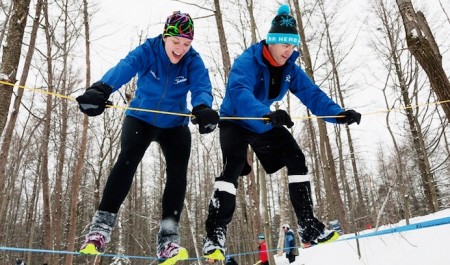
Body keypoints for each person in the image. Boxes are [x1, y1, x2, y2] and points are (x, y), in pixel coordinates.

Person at [202, 4, 361, 261]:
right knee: (234, 165)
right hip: (236, 119)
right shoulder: (248, 60)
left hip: (263, 121)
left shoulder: (290, 69)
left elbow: (312, 94)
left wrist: (339, 115)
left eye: (293, 44)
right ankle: (214, 236)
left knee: (296, 158)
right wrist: (265, 114)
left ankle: (308, 225)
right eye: (284, 44)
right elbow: (239, 93)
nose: (289, 50)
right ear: (271, 42)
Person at [76, 11, 219, 265]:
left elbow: (201, 86)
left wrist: (202, 107)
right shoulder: (149, 51)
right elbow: (125, 67)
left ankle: (168, 240)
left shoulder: (193, 61)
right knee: (127, 161)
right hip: (140, 118)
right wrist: (101, 89)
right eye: (176, 42)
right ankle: (100, 229)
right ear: (166, 37)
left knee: (178, 174)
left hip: (174, 123)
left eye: (186, 44)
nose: (181, 49)